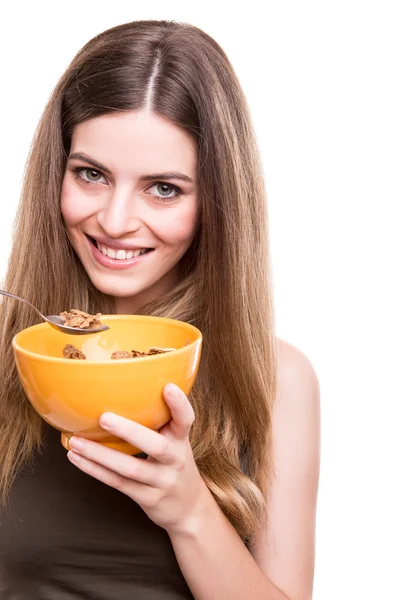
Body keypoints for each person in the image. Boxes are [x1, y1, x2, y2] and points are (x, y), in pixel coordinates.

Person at [0, 19, 320, 600]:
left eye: (164, 188)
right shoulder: (7, 351)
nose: (116, 220)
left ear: (217, 203)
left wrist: (189, 510)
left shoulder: (279, 379)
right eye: (91, 174)